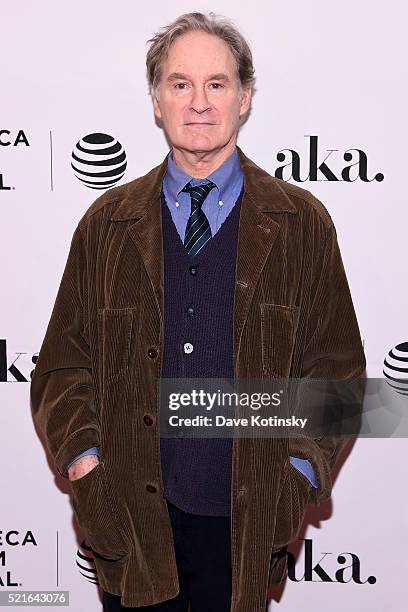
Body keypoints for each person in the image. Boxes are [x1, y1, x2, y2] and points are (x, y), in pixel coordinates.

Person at [30, 11, 366, 612]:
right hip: (130, 523)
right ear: (156, 101)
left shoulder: (301, 224)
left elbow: (336, 377)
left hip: (247, 523)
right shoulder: (107, 225)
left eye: (218, 83)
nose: (200, 102)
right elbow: (61, 369)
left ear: (245, 98)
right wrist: (86, 465)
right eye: (180, 83)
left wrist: (297, 476)